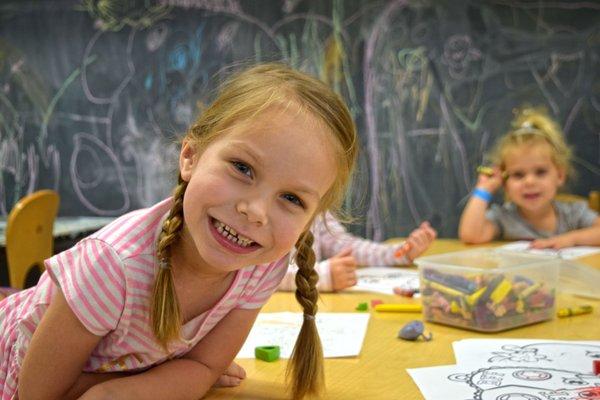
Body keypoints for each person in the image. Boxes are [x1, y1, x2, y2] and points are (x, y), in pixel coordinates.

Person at [0, 63, 358, 400]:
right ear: (190, 156)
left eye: (292, 198)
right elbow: (39, 395)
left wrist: (142, 386)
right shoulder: (113, 267)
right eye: (242, 168)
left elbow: (203, 366)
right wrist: (167, 380)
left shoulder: (261, 264)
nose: (255, 211)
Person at [459, 107, 600, 248]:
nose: (529, 182)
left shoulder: (573, 214)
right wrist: (484, 189)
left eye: (540, 172)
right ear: (505, 181)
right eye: (518, 175)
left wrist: (571, 239)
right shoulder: (504, 217)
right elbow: (470, 235)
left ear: (560, 176)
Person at [279, 214, 437, 292]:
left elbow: (343, 244)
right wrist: (320, 276)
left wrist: (399, 252)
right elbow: (257, 271)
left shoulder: (316, 202)